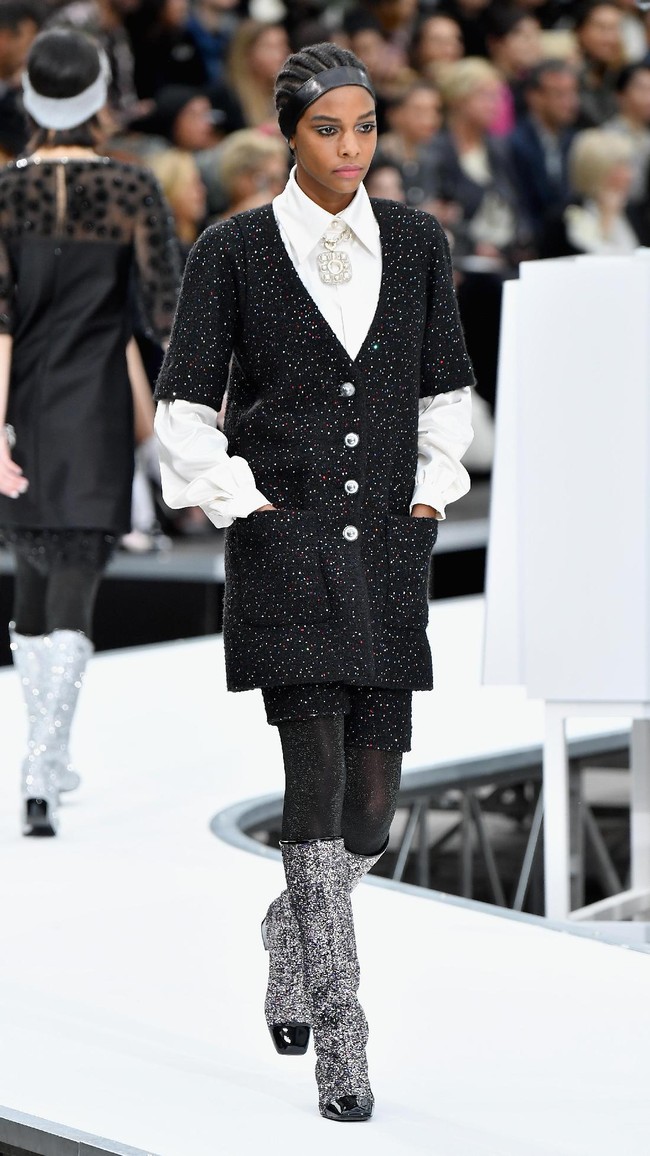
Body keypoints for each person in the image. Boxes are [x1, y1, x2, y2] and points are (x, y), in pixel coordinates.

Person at [154, 41, 475, 1122]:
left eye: (365, 127)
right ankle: (343, 1042)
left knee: (373, 814)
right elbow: (184, 406)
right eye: (328, 128)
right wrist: (241, 500)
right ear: (290, 131)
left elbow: (444, 393)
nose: (349, 147)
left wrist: (431, 496)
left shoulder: (419, 242)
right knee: (312, 789)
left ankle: (288, 925)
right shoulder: (235, 248)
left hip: (388, 545)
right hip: (286, 547)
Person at [0, 28, 179, 837]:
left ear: (32, 97)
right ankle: (43, 763)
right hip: (97, 403)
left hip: (25, 406)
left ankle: (45, 757)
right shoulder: (133, 191)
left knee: (36, 569)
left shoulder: (6, 193)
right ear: (100, 97)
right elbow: (167, 309)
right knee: (74, 574)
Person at [508, 59, 579, 244]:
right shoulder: (515, 143)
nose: (570, 102)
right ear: (534, 97)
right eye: (560, 94)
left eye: (572, 93)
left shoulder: (575, 140)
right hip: (532, 243)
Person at [540, 127, 639, 255]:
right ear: (599, 169)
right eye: (622, 166)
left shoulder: (633, 212)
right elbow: (589, 262)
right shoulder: (565, 218)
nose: (631, 175)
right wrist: (606, 220)